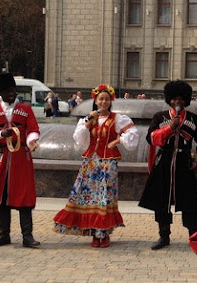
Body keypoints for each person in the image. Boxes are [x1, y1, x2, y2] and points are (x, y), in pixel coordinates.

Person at [53, 84, 139, 247]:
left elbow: (133, 134)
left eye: (107, 99)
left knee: (105, 197)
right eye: (101, 99)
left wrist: (118, 140)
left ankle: (103, 233)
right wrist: (87, 122)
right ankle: (93, 231)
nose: (104, 102)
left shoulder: (117, 118)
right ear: (96, 100)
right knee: (87, 196)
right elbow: (80, 140)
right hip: (91, 162)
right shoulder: (89, 118)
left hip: (108, 163)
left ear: (110, 101)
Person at [139, 80, 197, 250]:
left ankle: (194, 236)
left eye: (181, 99)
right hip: (164, 162)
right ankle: (164, 235)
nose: (177, 102)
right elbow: (151, 138)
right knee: (161, 200)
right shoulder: (160, 117)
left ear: (186, 100)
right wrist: (169, 128)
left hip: (185, 163)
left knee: (191, 202)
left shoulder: (193, 119)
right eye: (174, 99)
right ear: (169, 99)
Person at [0, 73, 41, 248]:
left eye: (13, 90)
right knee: (1, 198)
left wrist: (31, 140)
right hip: (1, 159)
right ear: (0, 93)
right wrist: (0, 134)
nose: (11, 94)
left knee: (24, 198)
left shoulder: (26, 110)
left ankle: (27, 236)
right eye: (7, 91)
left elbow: (33, 129)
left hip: (21, 159)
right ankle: (4, 235)